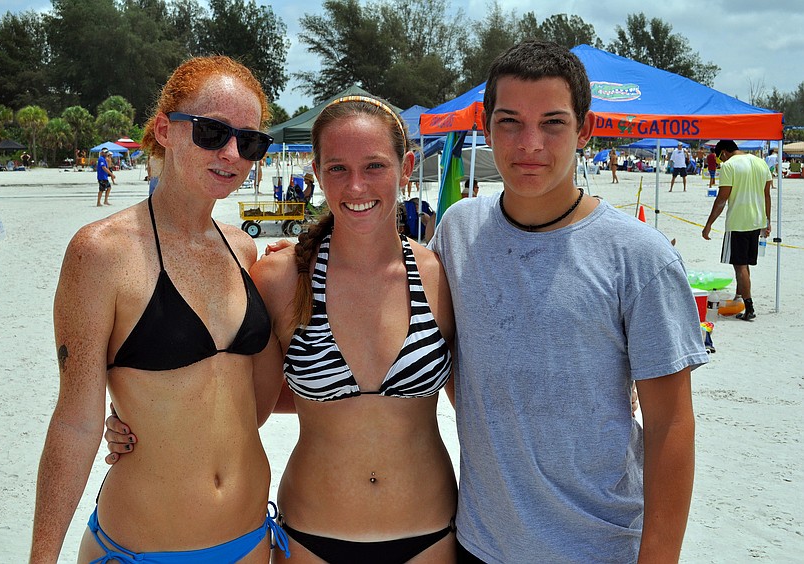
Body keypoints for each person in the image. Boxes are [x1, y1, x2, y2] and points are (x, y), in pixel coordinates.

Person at [106, 95, 458, 563]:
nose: (356, 186)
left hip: (430, 533)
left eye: (374, 166)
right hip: (312, 535)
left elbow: (477, 400)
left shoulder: (440, 275)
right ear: (315, 171)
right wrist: (142, 421)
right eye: (337, 168)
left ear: (406, 165)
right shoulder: (281, 279)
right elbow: (236, 394)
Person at [431, 40, 705, 562]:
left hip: (598, 545)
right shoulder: (458, 230)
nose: (529, 143)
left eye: (552, 122)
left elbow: (671, 425)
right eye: (509, 122)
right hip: (479, 542)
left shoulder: (639, 257)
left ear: (585, 129)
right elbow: (446, 361)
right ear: (486, 126)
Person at [29, 55, 287, 563]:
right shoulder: (102, 253)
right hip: (141, 548)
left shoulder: (244, 250)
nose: (232, 153)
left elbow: (247, 408)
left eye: (250, 141)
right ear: (165, 130)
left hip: (251, 542)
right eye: (212, 132)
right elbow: (75, 421)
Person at [701, 139, 772, 322]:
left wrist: (708, 224)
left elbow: (722, 199)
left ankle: (749, 306)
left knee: (739, 265)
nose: (721, 162)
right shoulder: (760, 162)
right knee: (745, 264)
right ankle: (739, 298)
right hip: (757, 220)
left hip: (738, 222)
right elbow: (767, 195)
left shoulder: (729, 166)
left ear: (723, 153)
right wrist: (767, 220)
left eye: (720, 159)